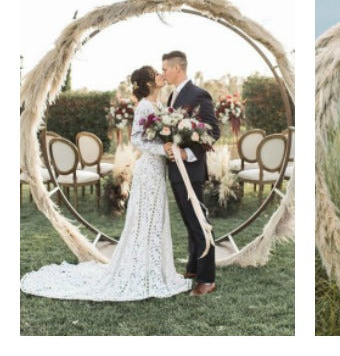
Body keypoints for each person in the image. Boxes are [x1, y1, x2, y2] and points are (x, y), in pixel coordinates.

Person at [20, 65, 193, 301]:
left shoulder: (159, 106)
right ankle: (141, 271)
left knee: (156, 218)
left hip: (158, 170)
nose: (162, 76)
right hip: (148, 170)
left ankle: (156, 269)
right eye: (157, 74)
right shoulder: (143, 107)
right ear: (150, 83)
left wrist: (171, 143)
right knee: (144, 219)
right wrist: (161, 148)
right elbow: (137, 141)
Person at [160, 50, 221, 296]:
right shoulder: (172, 97)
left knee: (199, 223)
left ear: (177, 68)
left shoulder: (198, 94)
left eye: (165, 68)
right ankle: (194, 267)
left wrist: (189, 154)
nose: (163, 73)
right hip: (176, 170)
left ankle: (207, 278)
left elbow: (212, 131)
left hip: (191, 170)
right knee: (189, 221)